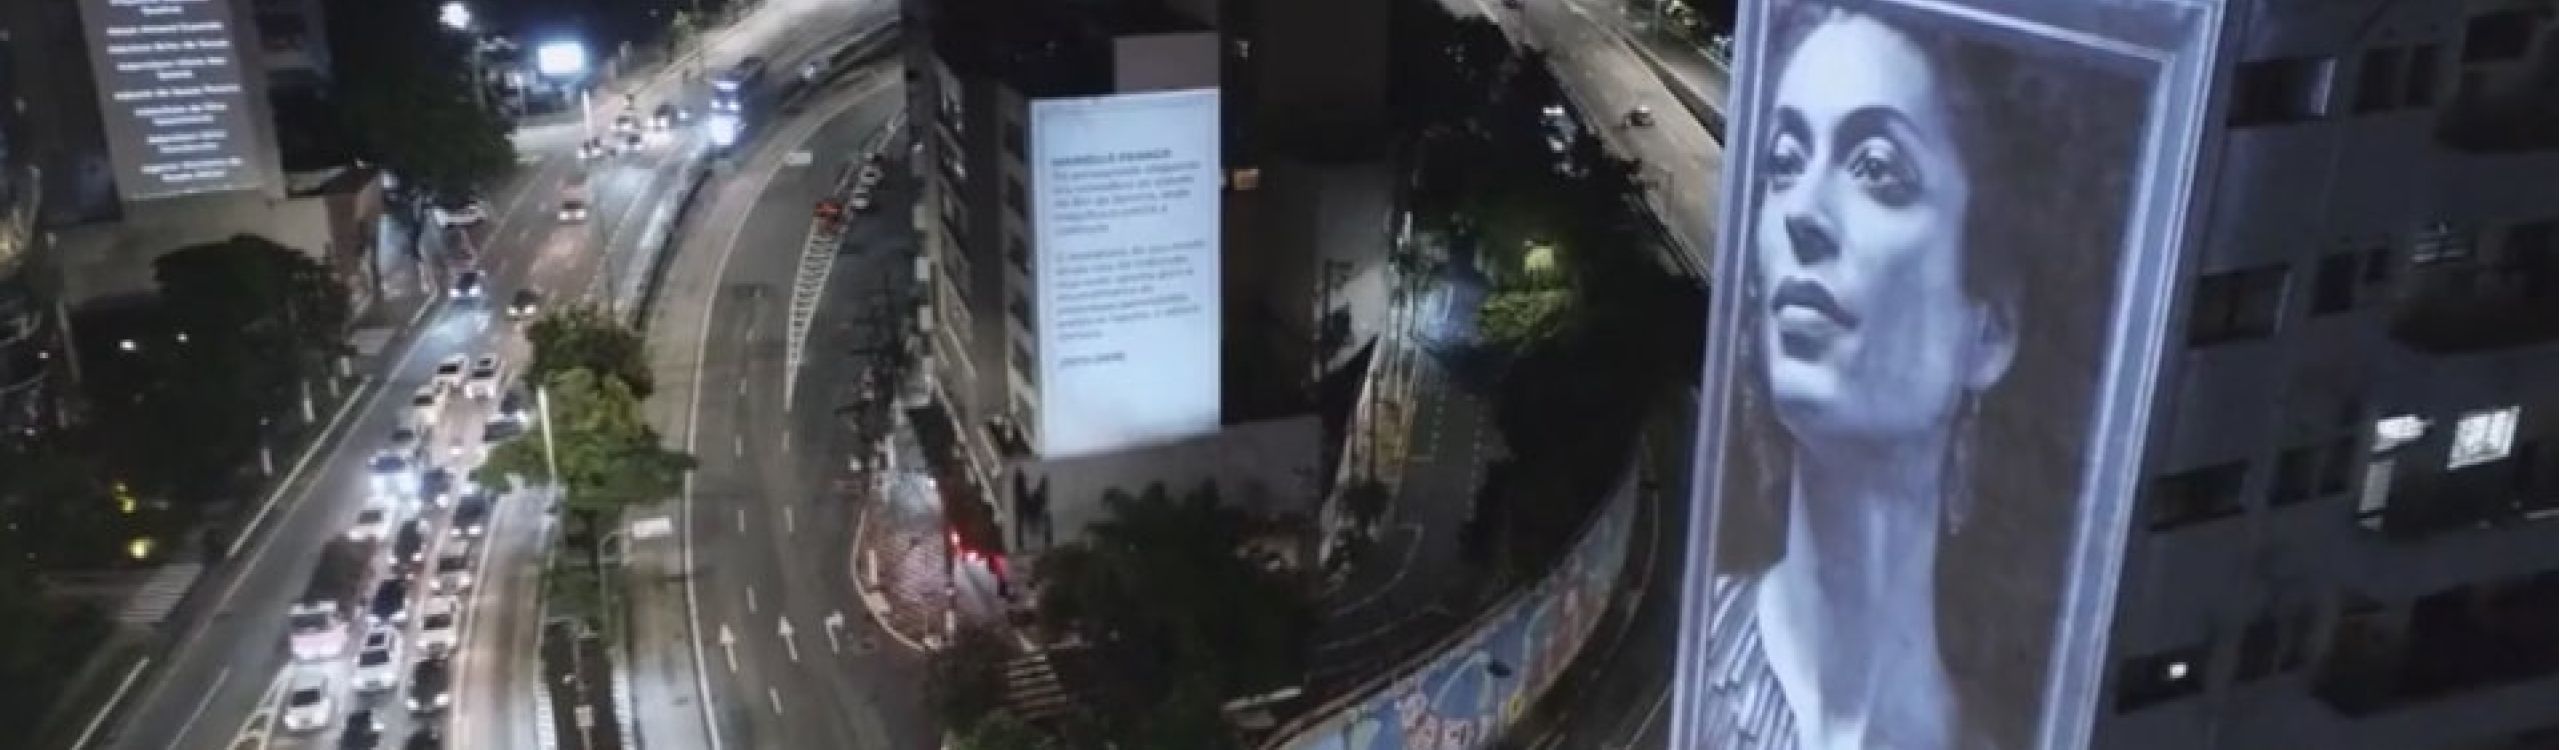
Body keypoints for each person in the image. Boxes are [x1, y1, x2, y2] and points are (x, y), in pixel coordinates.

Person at [1692, 1, 2149, 748]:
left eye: (1877, 169)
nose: (1802, 212)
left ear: (1990, 330)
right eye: (1783, 162)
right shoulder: (1684, 648)